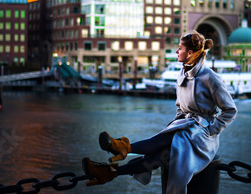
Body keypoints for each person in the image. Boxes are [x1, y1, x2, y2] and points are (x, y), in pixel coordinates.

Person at [82, 30, 238, 192]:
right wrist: (176, 124)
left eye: (180, 48)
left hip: (202, 138)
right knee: (159, 154)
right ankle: (111, 168)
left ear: (190, 52)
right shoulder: (182, 73)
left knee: (163, 150)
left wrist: (211, 130)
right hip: (185, 129)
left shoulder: (211, 78)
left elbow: (230, 110)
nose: (177, 51)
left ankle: (120, 152)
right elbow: (180, 107)